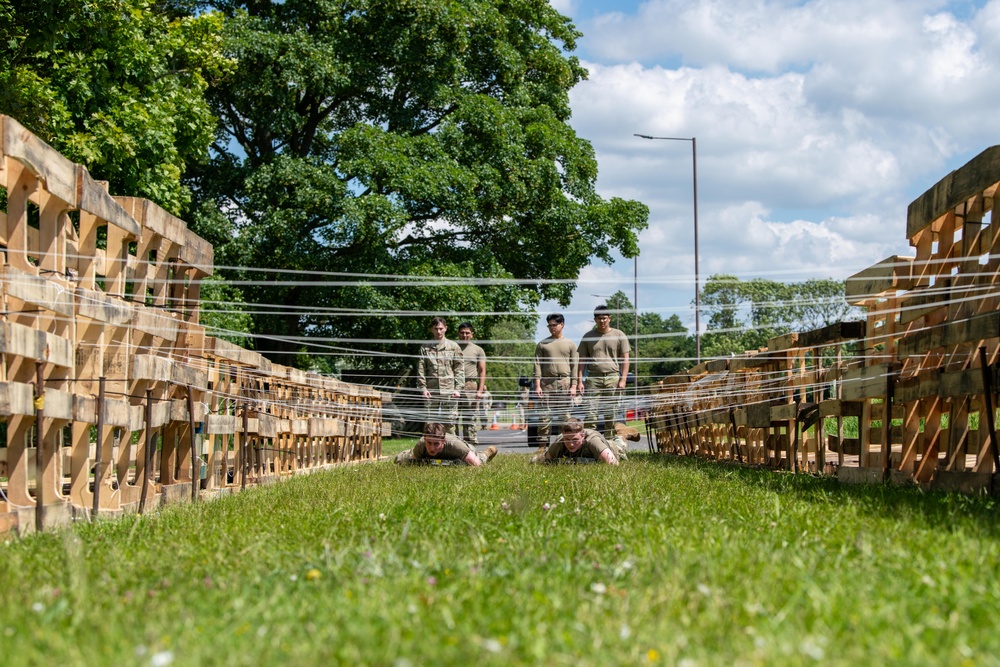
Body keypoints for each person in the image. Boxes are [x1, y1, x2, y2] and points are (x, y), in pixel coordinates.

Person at [577, 304, 631, 439]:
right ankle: (591, 442)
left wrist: (623, 379)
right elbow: (581, 361)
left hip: (612, 378)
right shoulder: (588, 336)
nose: (602, 321)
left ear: (609, 318)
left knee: (611, 414)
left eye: (605, 318)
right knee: (590, 413)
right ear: (595, 320)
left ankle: (610, 443)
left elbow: (626, 359)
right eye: (599, 318)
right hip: (593, 378)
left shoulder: (619, 335)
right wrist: (579, 381)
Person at [533, 313, 579, 448]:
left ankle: (563, 447)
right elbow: (537, 365)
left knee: (564, 417)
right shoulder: (542, 344)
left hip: (564, 382)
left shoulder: (570, 344)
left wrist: (574, 385)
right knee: (544, 417)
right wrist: (537, 385)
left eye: (554, 325)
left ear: (562, 325)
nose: (552, 328)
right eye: (549, 325)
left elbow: (574, 365)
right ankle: (542, 448)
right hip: (547, 383)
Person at [417, 317, 464, 433]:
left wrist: (458, 389)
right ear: (432, 330)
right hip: (431, 390)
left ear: (446, 329)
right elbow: (420, 370)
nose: (439, 332)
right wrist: (423, 388)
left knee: (450, 423)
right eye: (436, 329)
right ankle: (430, 449)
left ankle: (451, 448)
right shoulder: (425, 348)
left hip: (449, 391)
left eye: (441, 329)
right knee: (430, 422)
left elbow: (459, 369)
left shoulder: (453, 347)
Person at [529, 418, 639, 465]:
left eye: (575, 440)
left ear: (582, 435)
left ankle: (622, 432)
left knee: (619, 443)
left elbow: (614, 464)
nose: (571, 444)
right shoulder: (559, 442)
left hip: (612, 447)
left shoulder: (592, 441)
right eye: (567, 439)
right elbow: (547, 461)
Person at [395, 422, 498, 466]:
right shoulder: (421, 443)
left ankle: (486, 452)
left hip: (461, 453)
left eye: (436, 444)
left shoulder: (456, 445)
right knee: (400, 459)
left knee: (479, 459)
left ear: (443, 441)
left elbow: (477, 465)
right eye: (429, 443)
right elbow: (415, 463)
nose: (432, 447)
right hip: (431, 457)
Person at [456, 322, 487, 446]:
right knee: (454, 417)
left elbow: (482, 370)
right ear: (458, 333)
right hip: (455, 386)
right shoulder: (452, 347)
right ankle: (456, 444)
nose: (465, 335)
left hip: (471, 386)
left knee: (470, 417)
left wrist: (480, 390)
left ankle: (471, 444)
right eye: (462, 332)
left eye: (467, 333)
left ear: (472, 334)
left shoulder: (478, 350)